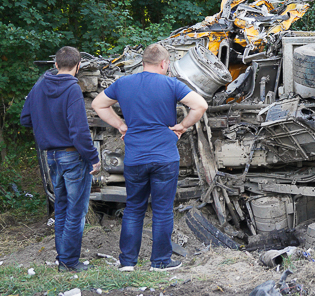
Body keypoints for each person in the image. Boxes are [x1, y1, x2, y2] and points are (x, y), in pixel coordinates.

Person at [91, 43, 208, 271]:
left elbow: (98, 104)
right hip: (165, 156)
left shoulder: (123, 83)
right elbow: (200, 105)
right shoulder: (171, 84)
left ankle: (127, 263)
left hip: (135, 158)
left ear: (143, 62)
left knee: (134, 208)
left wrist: (121, 125)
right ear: (164, 63)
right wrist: (181, 126)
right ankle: (160, 262)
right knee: (162, 210)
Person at [21, 46, 100, 273]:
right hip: (72, 156)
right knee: (76, 211)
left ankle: (63, 259)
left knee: (62, 208)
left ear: (55, 64)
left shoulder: (39, 85)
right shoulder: (72, 89)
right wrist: (93, 157)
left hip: (51, 158)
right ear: (78, 66)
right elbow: (78, 131)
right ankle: (69, 262)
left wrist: (47, 124)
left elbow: (25, 118)